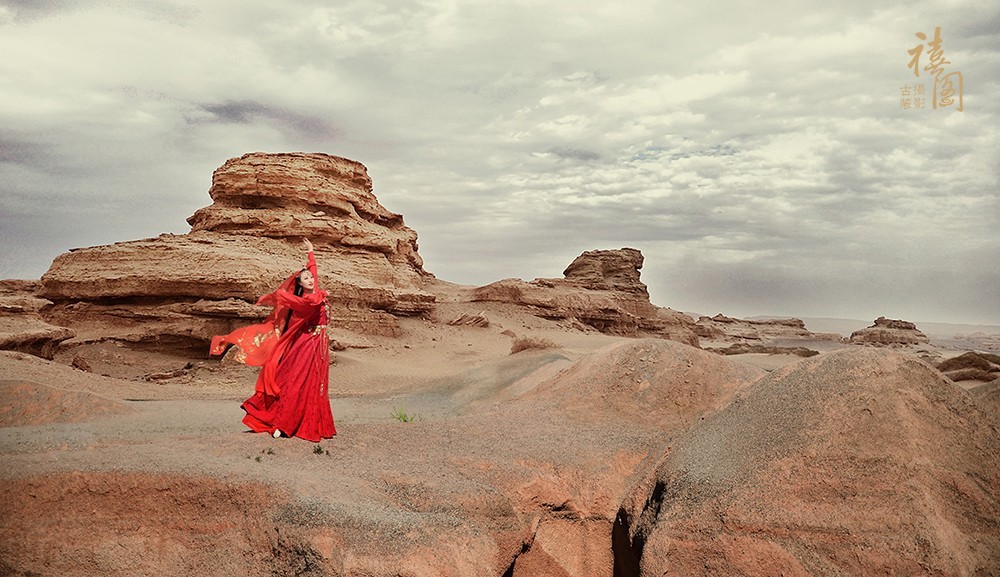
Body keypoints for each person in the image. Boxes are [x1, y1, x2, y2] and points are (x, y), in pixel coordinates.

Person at [209, 239, 336, 442]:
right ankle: (283, 423)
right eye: (306, 279)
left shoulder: (314, 292)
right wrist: (279, 296)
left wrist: (311, 253)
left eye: (311, 277)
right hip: (307, 346)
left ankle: (313, 423)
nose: (311, 280)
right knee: (296, 384)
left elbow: (314, 273)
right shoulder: (306, 301)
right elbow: (296, 299)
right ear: (300, 285)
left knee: (314, 385)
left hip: (319, 345)